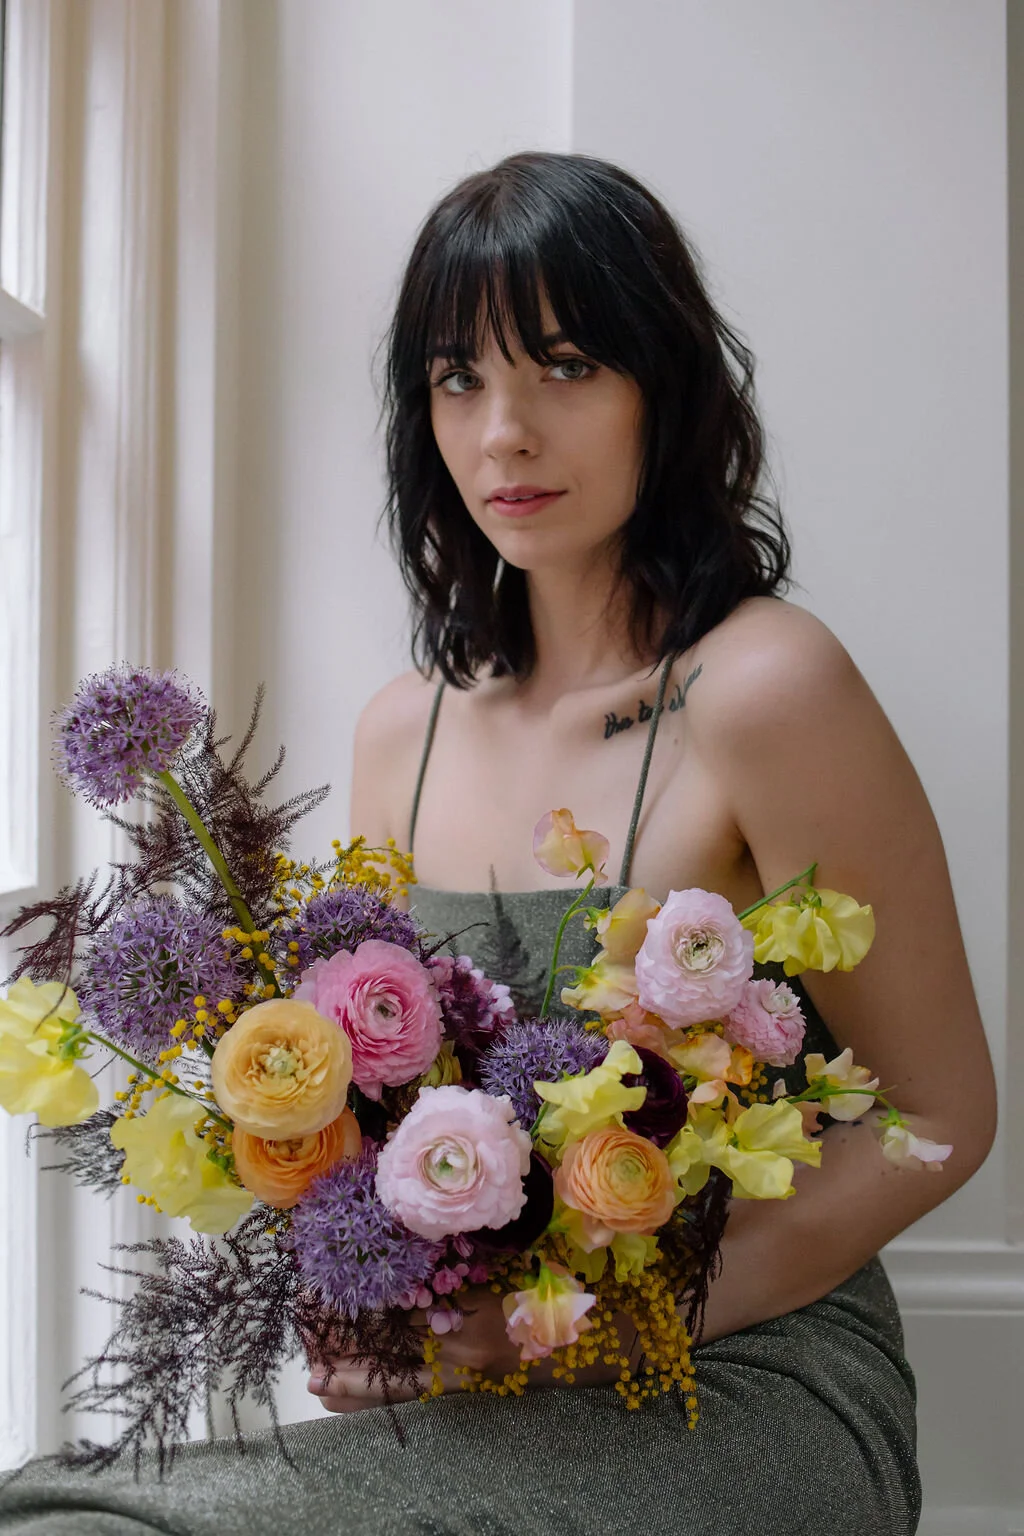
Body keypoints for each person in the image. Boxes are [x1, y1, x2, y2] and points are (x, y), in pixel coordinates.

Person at [0, 150, 996, 1536]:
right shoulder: (399, 732)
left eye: (569, 365)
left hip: (746, 1385)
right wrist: (373, 1292)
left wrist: (581, 1332)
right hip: (486, 1404)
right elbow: (394, 1120)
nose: (504, 432)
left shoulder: (768, 689)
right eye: (458, 378)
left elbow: (940, 1120)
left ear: (669, 386)